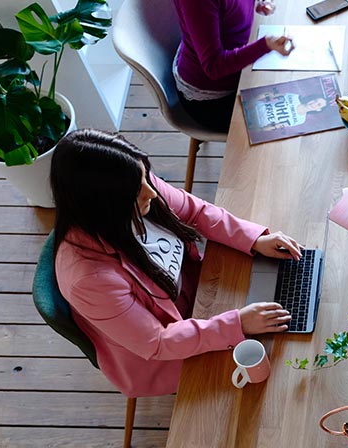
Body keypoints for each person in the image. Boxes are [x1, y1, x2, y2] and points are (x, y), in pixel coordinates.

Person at [51, 129, 303, 397]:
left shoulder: (133, 186)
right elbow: (157, 342)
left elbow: (195, 211)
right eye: (139, 190)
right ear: (104, 205)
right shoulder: (89, 280)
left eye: (146, 177)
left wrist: (254, 239)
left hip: (200, 297)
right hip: (163, 354)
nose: (152, 192)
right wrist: (236, 324)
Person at [173, 0, 294, 132]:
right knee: (285, 130)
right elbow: (213, 67)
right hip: (213, 99)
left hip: (240, 67)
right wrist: (264, 46)